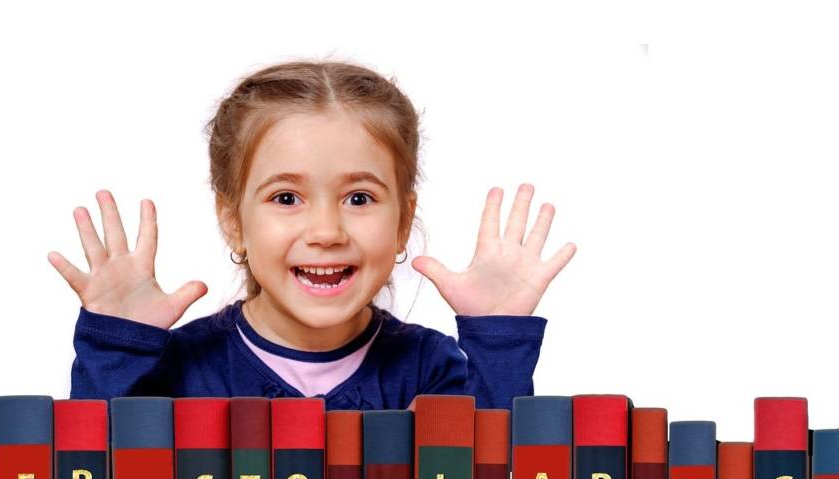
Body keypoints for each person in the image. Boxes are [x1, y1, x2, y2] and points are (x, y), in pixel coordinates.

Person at [49, 60, 576, 411]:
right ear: (233, 220)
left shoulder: (430, 370)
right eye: (286, 198)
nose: (326, 232)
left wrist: (498, 340)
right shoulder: (180, 371)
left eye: (359, 199)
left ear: (401, 221)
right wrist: (114, 347)